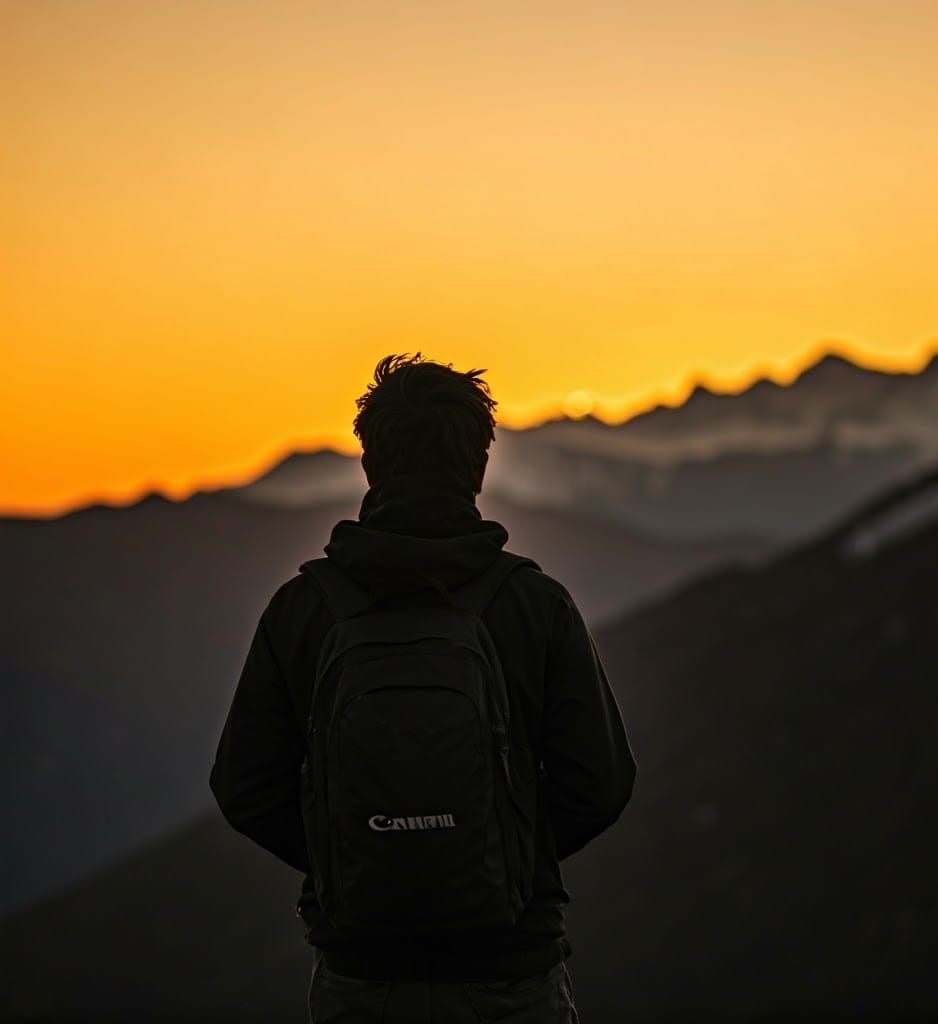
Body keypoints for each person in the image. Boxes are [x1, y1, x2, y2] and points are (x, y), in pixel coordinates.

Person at [209, 352, 637, 1023]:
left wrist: (353, 855)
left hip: (363, 978)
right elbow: (600, 784)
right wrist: (500, 854)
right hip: (510, 975)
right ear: (480, 466)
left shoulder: (304, 610)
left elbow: (244, 787)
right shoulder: (534, 605)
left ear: (370, 463)